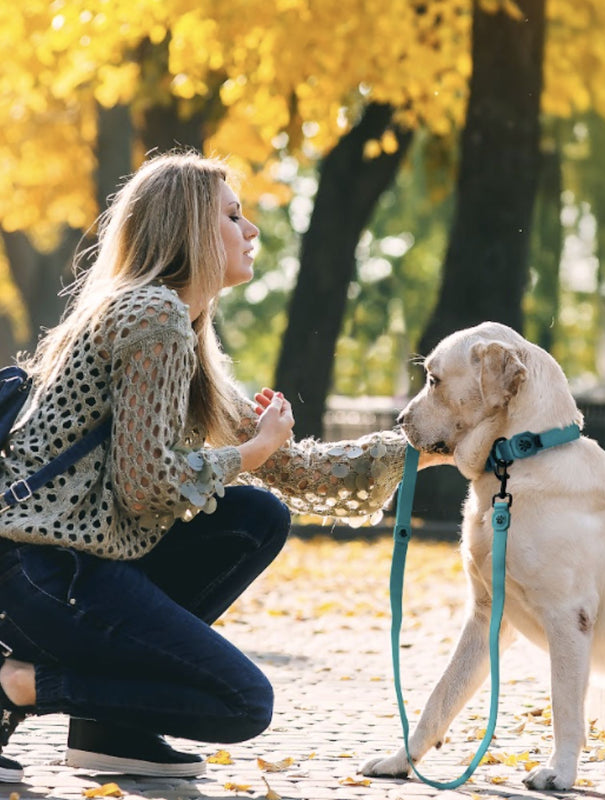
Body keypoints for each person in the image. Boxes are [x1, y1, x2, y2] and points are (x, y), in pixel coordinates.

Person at [0, 150, 410, 783]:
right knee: (241, 703)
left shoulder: (180, 329)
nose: (251, 231)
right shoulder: (152, 316)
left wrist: (420, 449)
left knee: (255, 514)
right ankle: (18, 684)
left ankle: (110, 728)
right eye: (233, 215)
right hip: (42, 567)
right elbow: (148, 486)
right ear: (187, 226)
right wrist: (251, 452)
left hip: (69, 563)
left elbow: (296, 472)